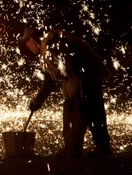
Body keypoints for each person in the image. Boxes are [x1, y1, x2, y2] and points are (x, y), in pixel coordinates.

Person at [19, 27, 113, 158]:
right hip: (85, 80)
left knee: (79, 113)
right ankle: (99, 146)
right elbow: (49, 81)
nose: (28, 49)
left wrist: (78, 83)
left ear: (31, 39)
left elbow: (73, 61)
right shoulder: (46, 49)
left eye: (27, 45)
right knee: (92, 112)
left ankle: (74, 149)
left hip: (84, 80)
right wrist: (37, 101)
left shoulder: (53, 43)